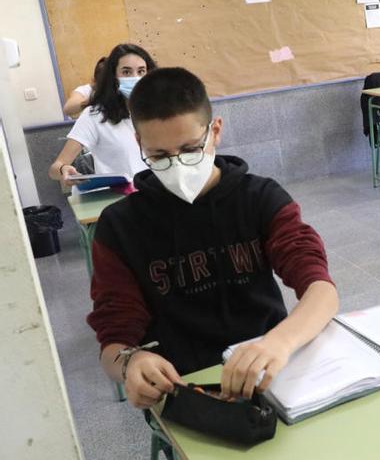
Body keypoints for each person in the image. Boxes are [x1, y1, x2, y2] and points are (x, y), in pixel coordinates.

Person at [86, 66, 338, 409]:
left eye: (190, 149)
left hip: (273, 367)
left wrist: (279, 342)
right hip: (185, 387)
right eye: (159, 156)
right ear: (140, 143)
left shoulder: (260, 198)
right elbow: (114, 339)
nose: (177, 166)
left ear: (214, 131)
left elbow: (320, 289)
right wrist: (132, 363)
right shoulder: (120, 226)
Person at [49, 44, 156, 187]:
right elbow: (55, 168)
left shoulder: (159, 111)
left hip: (157, 195)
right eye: (126, 72)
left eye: (141, 71)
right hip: (120, 199)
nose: (135, 78)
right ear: (113, 77)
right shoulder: (95, 115)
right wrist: (63, 170)